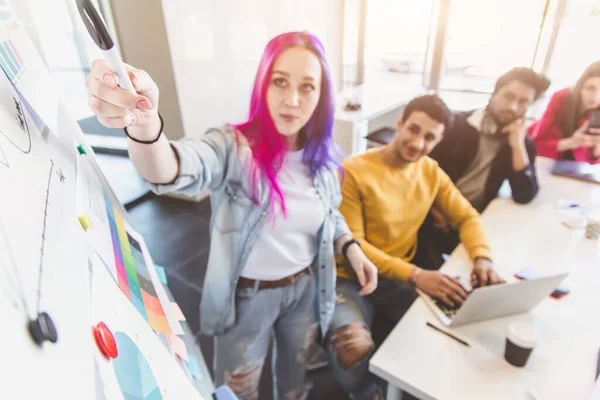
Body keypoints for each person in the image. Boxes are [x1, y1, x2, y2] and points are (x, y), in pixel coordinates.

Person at [85, 31, 378, 400]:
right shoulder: (233, 147)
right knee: (239, 389)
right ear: (263, 85)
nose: (292, 100)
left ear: (321, 97)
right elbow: (172, 168)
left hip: (305, 289)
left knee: (295, 378)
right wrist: (145, 127)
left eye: (307, 87)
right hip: (248, 299)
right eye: (280, 81)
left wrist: (351, 247)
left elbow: (329, 214)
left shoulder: (322, 161)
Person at [326, 95, 504, 400]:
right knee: (351, 349)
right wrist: (417, 274)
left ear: (440, 140)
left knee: (457, 328)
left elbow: (466, 216)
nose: (418, 143)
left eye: (429, 137)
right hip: (351, 276)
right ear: (400, 123)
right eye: (413, 130)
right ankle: (368, 393)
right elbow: (356, 246)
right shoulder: (354, 171)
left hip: (399, 276)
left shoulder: (430, 171)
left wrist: (483, 257)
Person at [423, 68, 550, 264]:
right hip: (432, 221)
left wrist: (517, 143)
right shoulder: (455, 125)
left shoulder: (519, 142)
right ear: (494, 94)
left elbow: (525, 194)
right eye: (509, 97)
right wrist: (435, 212)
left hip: (473, 222)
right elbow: (418, 174)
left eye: (524, 102)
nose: (514, 107)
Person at [528, 61, 600, 164]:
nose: (595, 97)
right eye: (590, 88)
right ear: (580, 86)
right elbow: (534, 146)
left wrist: (597, 146)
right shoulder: (561, 98)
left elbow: (593, 162)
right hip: (544, 159)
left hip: (573, 168)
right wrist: (572, 142)